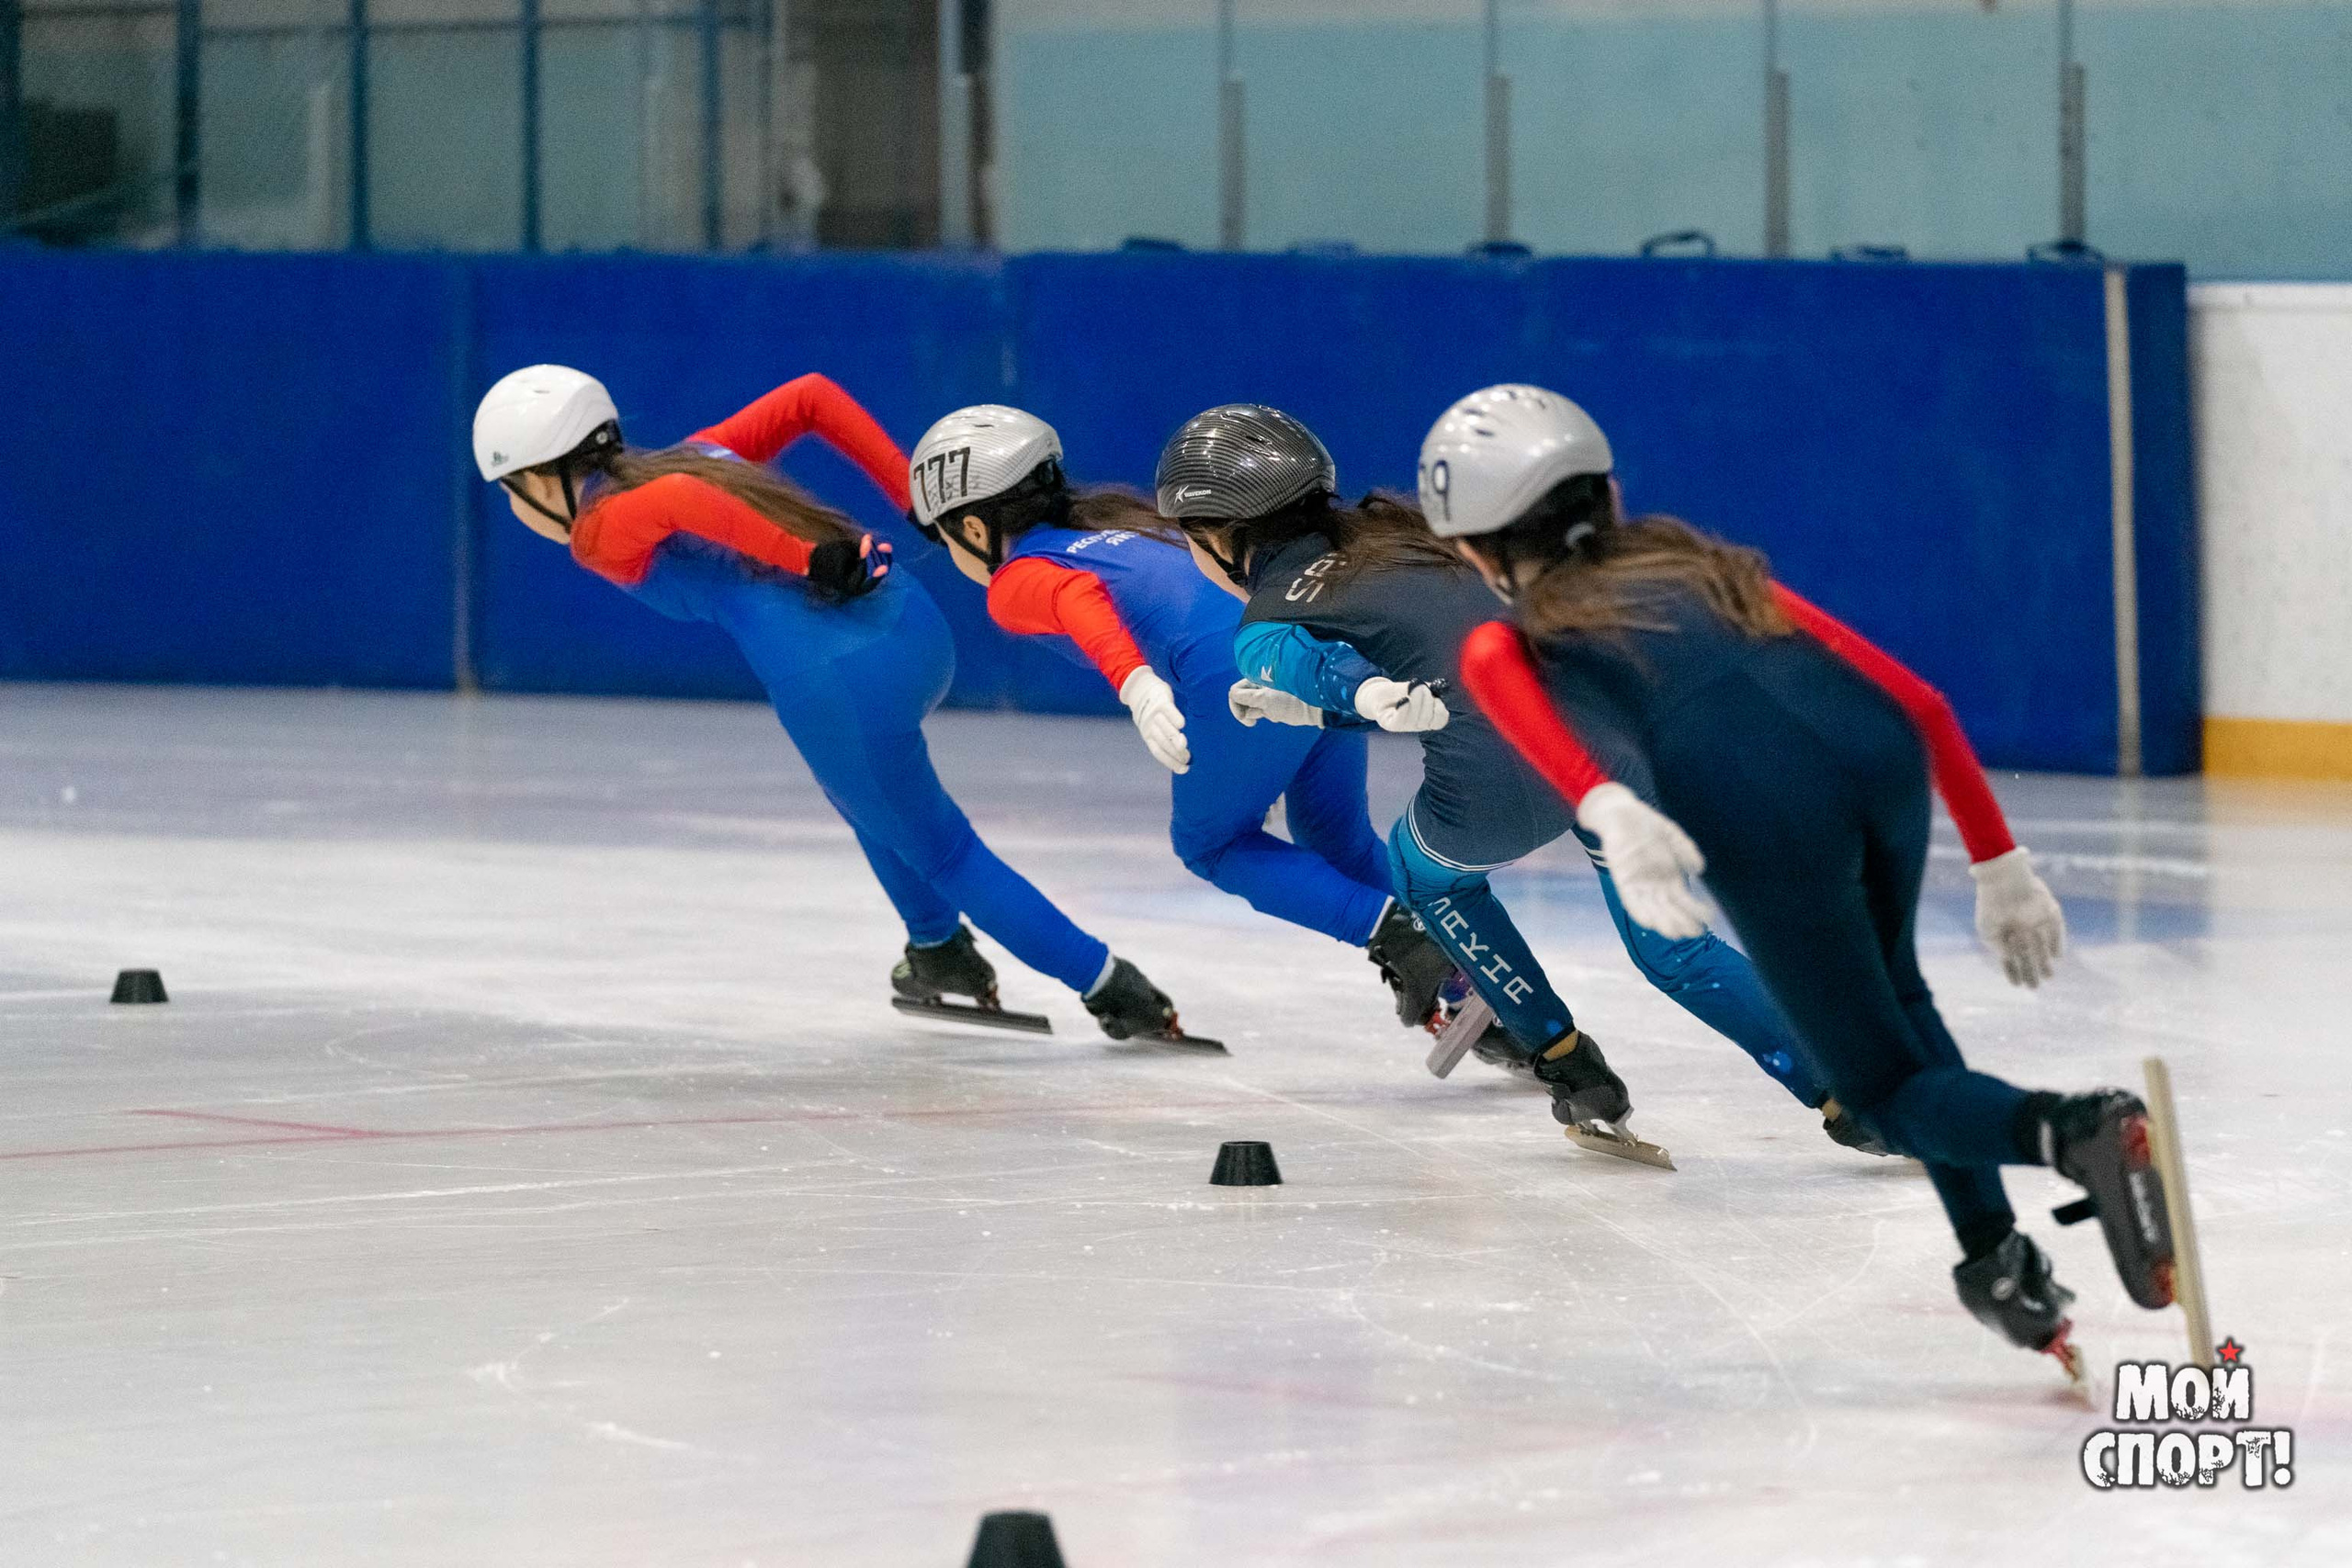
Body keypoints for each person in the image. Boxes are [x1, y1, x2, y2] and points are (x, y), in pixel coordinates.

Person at [1430, 381, 2173, 1369]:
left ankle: (2070, 1130)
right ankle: (1994, 1257)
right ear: (1604, 496)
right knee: (1900, 1012)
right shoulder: (1705, 569)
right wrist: (1999, 862)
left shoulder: (1513, 635)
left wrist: (1606, 806)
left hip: (1766, 811)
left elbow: (1500, 682)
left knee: (1879, 1095)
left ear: (1477, 549)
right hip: (1878, 765)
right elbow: (1923, 702)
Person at [1153, 403, 1861, 1145]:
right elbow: (1431, 673)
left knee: (1419, 868)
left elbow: (1307, 666)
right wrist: (1339, 711)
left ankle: (1566, 1063)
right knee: (1673, 948)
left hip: (1504, 774)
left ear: (1219, 534)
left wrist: (1343, 696)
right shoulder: (1403, 533)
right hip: (1610, 723)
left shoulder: (1266, 620)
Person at [469, 365, 1196, 1042]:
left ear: (541, 477)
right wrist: (915, 502)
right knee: (867, 800)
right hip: (912, 626)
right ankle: (937, 946)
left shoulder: (599, 528)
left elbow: (681, 504)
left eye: (510, 489)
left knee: (944, 848)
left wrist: (806, 558)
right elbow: (812, 398)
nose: (515, 506)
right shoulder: (697, 450)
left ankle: (1110, 985)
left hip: (837, 682)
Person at [905, 404, 1459, 997]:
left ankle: (1402, 938)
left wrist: (1135, 684)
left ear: (970, 527)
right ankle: (1468, 977)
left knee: (1213, 844)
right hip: (1310, 639)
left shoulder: (1018, 578)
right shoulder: (1126, 526)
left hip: (1236, 673)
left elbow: (1075, 596)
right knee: (1336, 837)